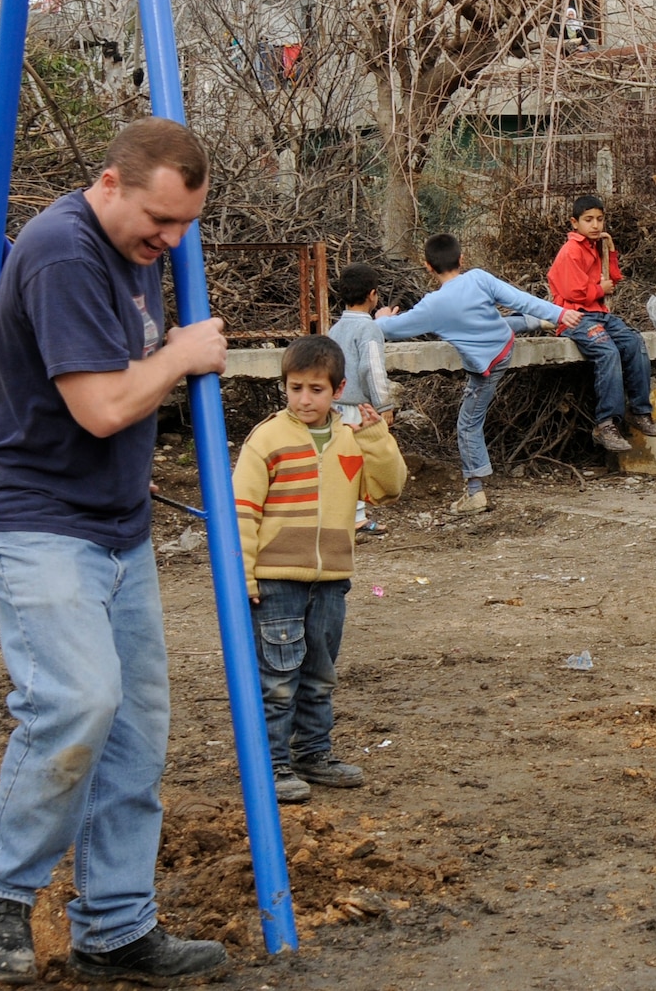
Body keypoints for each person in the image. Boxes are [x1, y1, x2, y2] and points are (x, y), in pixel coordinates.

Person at [0, 119, 230, 983]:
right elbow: (106, 408)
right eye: (159, 219)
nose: (171, 242)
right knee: (78, 700)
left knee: (136, 737)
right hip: (33, 522)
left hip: (115, 526)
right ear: (110, 182)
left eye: (186, 224)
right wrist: (184, 353)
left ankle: (113, 927)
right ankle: (1, 890)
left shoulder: (135, 251)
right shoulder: (68, 251)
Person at [234, 334, 406, 804]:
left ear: (339, 389)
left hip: (330, 581)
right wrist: (243, 576)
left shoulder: (351, 441)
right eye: (295, 388)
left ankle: (313, 753)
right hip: (275, 581)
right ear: (284, 387)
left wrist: (376, 438)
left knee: (319, 672)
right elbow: (242, 511)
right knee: (277, 677)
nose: (304, 398)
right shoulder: (267, 438)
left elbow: (387, 489)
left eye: (316, 389)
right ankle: (272, 764)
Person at [375, 233, 578, 516]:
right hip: (502, 342)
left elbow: (390, 330)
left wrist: (382, 317)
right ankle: (536, 322)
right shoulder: (479, 278)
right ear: (462, 259)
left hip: (488, 366)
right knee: (498, 321)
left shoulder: (432, 306)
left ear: (427, 266)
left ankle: (475, 492)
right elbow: (521, 298)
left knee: (468, 425)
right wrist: (558, 313)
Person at [546, 194, 656, 454]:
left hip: (599, 314)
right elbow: (574, 292)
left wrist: (611, 250)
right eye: (588, 220)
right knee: (607, 352)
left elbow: (614, 279)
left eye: (599, 219)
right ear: (575, 223)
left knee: (634, 342)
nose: (595, 225)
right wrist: (599, 289)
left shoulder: (596, 246)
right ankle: (606, 423)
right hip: (575, 317)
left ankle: (640, 411)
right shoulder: (571, 251)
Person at [328, 263, 396, 535]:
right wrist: (384, 405)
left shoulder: (335, 329)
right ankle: (357, 518)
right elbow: (372, 368)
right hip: (358, 408)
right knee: (357, 461)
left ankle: (338, 515)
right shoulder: (369, 330)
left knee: (338, 460)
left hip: (334, 406)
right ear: (373, 295)